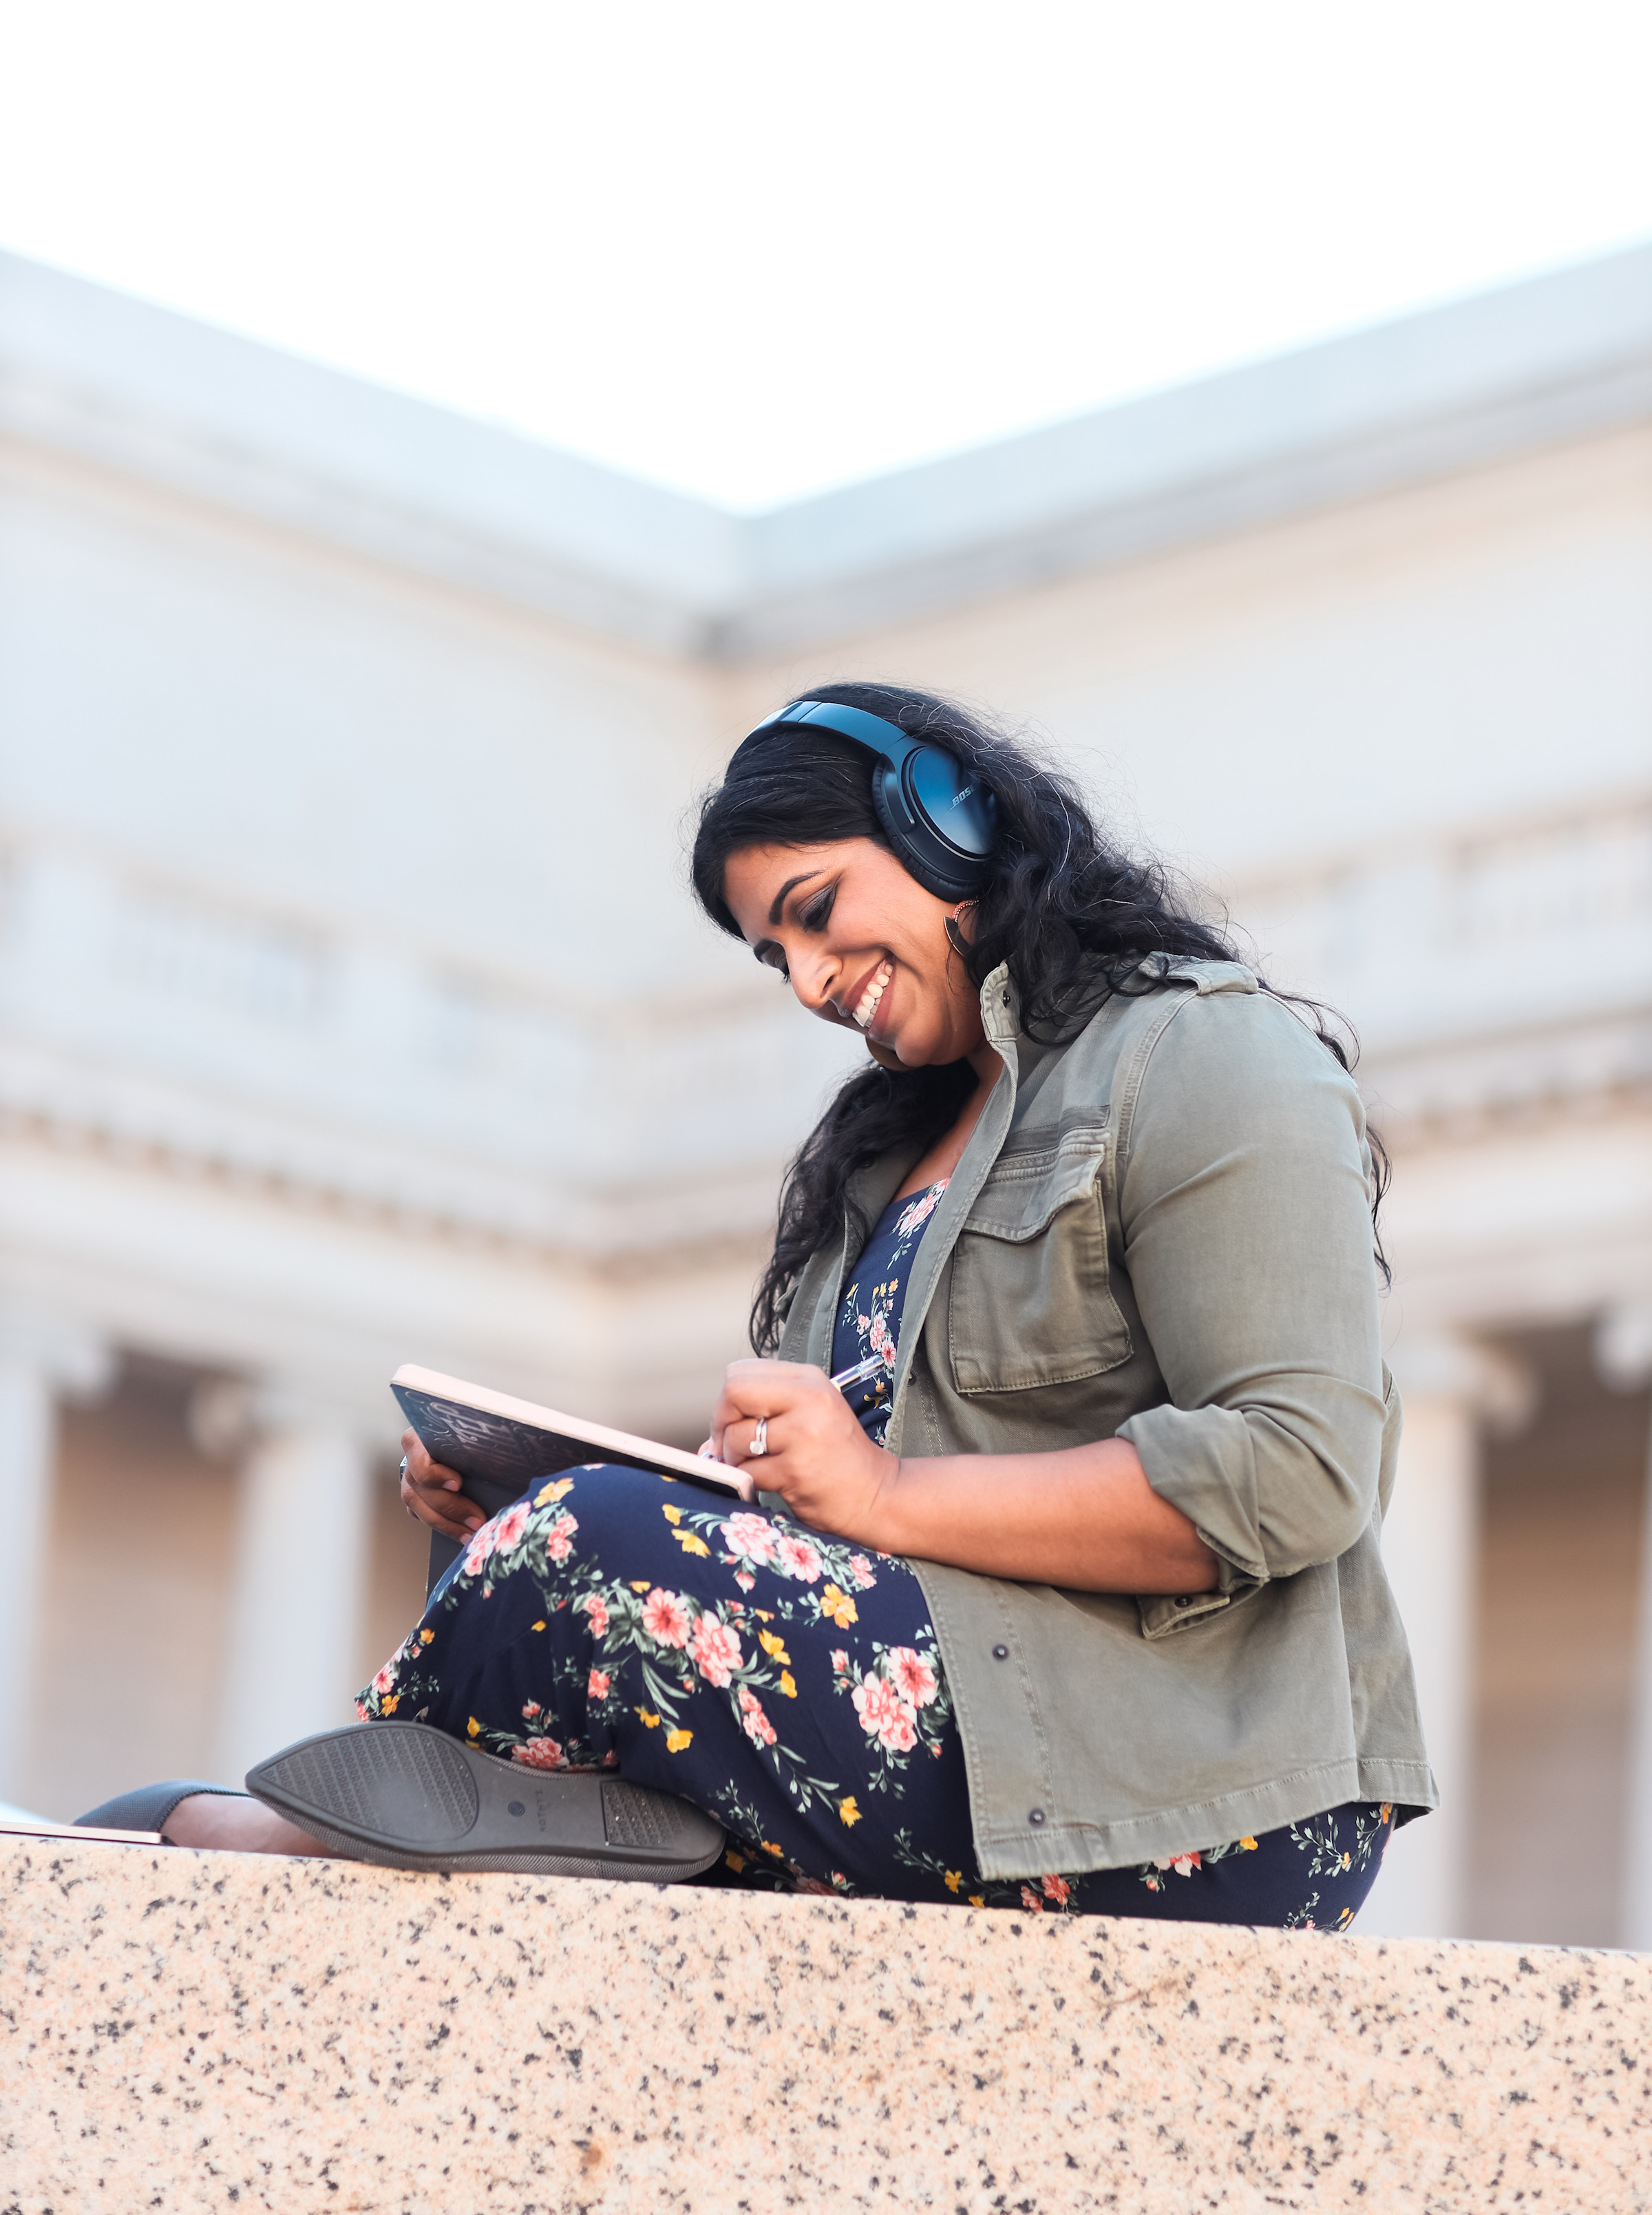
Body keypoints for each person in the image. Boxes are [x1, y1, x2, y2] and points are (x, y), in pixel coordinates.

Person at [81, 682, 1434, 1925]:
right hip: (929, 1714)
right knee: (572, 1528)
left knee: (594, 1546)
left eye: (816, 909)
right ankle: (492, 1824)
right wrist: (513, 1502)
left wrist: (881, 1499)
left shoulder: (1207, 1055)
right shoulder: (883, 1165)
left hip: (1196, 1780)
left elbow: (1299, 1471)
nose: (806, 981)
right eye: (770, 954)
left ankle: (319, 1846)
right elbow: (807, 1529)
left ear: (949, 827)